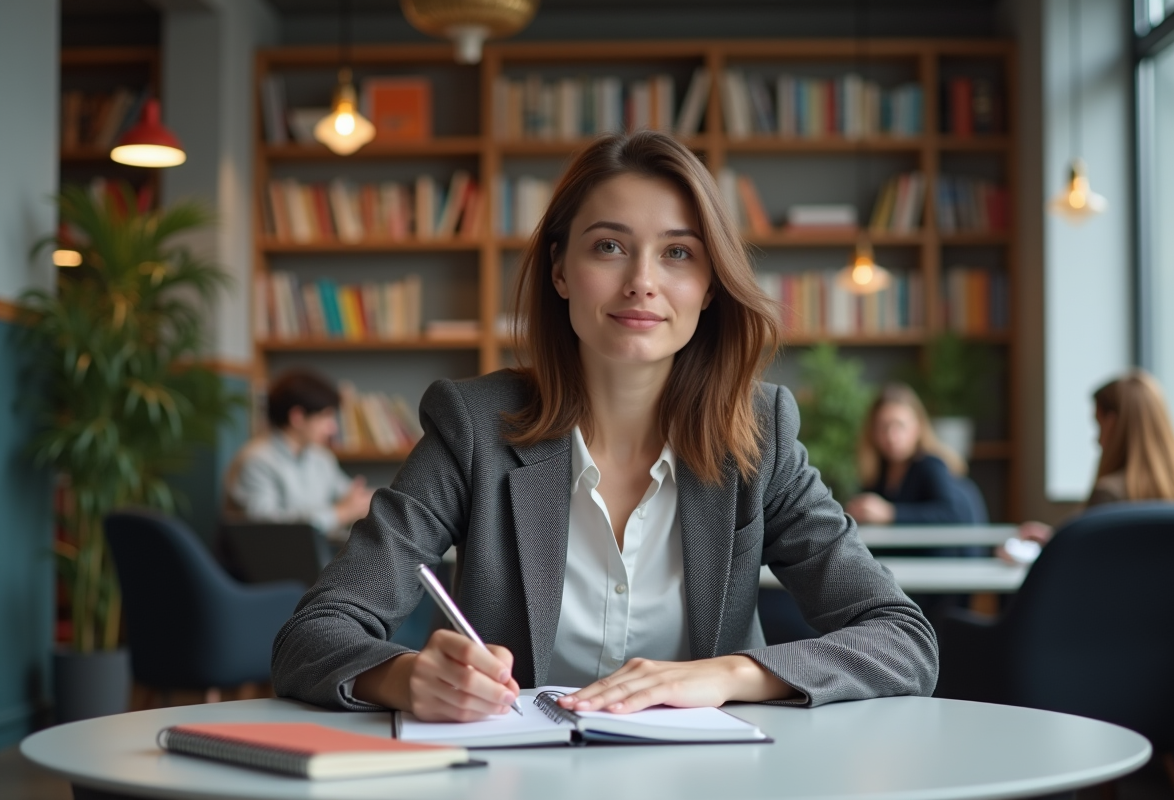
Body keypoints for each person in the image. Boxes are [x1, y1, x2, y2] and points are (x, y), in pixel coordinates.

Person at [271, 131, 937, 723]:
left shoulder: (759, 434)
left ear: (710, 285)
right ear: (560, 269)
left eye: (678, 253)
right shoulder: (474, 426)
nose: (642, 281)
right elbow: (314, 634)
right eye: (610, 246)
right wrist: (408, 677)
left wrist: (727, 675)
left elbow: (903, 639)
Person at [1016, 370, 1174, 546]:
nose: (1096, 441)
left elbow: (1089, 560)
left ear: (1112, 424)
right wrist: (1056, 539)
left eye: (1099, 426)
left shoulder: (1109, 494)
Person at [223, 368, 373, 537]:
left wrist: (369, 501)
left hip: (315, 556)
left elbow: (348, 494)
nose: (333, 428)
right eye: (326, 417)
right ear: (298, 417)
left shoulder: (320, 457)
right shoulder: (255, 461)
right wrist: (339, 514)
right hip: (271, 560)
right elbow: (267, 529)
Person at [844, 383, 986, 526]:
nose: (891, 436)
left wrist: (890, 513)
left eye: (899, 425)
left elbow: (952, 513)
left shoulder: (930, 465)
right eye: (883, 427)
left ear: (918, 427)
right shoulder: (878, 473)